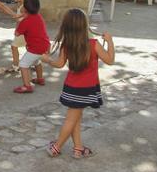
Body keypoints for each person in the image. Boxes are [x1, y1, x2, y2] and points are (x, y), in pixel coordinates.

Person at [42, 9, 115, 159]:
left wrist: (47, 60)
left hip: (71, 87)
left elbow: (60, 64)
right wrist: (110, 42)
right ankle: (57, 147)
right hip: (86, 89)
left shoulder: (67, 45)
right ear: (84, 26)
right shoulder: (93, 44)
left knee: (75, 117)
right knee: (73, 118)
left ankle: (78, 148)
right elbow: (110, 60)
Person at [12, 0, 49, 94]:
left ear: (25, 9)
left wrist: (20, 21)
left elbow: (17, 33)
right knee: (36, 61)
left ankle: (27, 86)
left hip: (35, 47)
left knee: (23, 64)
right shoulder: (38, 16)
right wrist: (23, 16)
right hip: (44, 45)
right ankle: (40, 79)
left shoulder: (25, 22)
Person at [8, 0, 34, 70]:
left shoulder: (24, 7)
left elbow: (24, 21)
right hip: (24, 31)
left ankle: (16, 65)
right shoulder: (21, 4)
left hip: (23, 31)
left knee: (14, 46)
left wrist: (17, 30)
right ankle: (35, 62)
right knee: (29, 47)